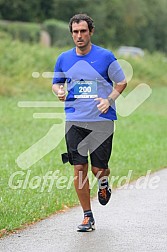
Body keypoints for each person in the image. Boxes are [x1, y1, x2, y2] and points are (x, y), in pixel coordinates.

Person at [52, 13, 127, 232]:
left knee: (98, 169)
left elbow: (121, 81)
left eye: (83, 31)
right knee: (79, 167)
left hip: (101, 121)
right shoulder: (64, 58)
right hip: (74, 120)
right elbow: (56, 83)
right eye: (75, 32)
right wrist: (59, 91)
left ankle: (103, 182)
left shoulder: (105, 57)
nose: (79, 36)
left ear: (91, 32)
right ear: (71, 34)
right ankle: (87, 216)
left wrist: (109, 99)